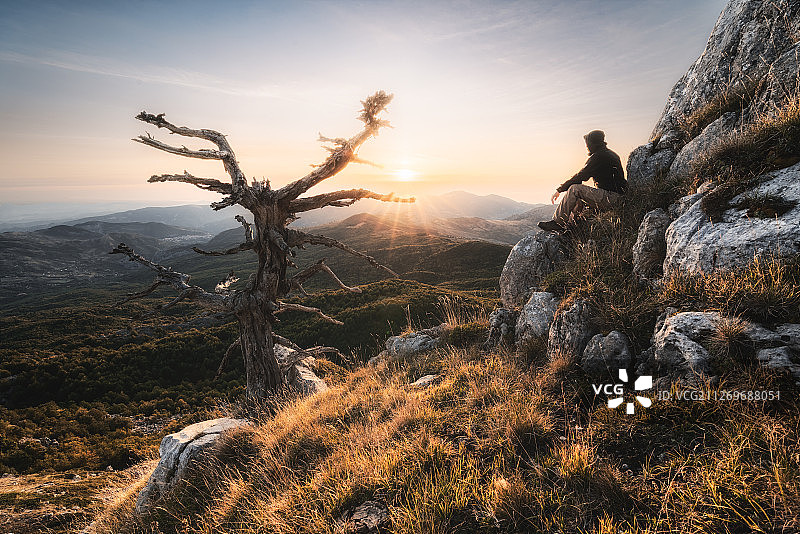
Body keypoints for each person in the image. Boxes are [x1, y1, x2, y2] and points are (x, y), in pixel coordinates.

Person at [538, 130, 626, 233]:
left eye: (587, 144)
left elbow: (580, 176)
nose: (587, 147)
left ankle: (558, 222)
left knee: (574, 189)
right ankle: (570, 228)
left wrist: (560, 189)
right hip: (618, 197)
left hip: (612, 198)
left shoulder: (598, 157)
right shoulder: (611, 154)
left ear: (592, 143)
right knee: (577, 198)